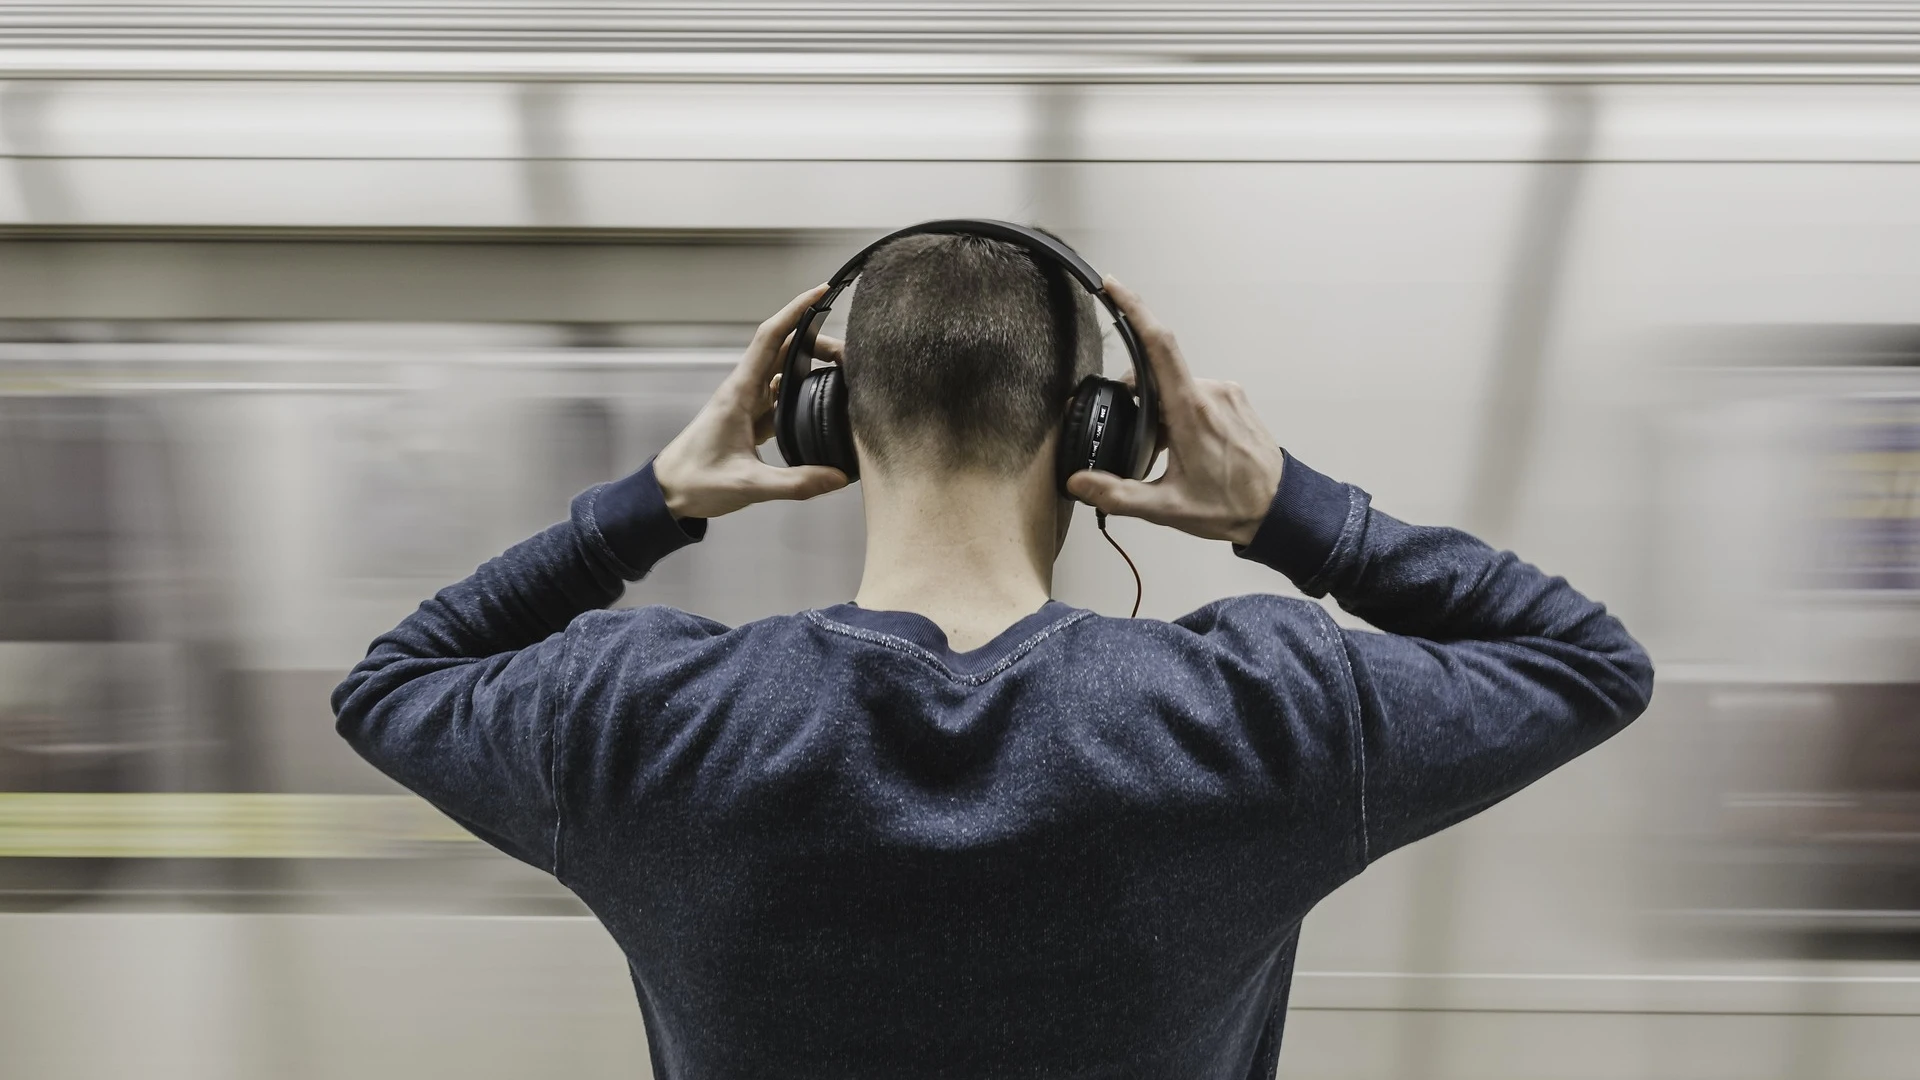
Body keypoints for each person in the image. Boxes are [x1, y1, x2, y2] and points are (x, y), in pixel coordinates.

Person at [332, 232, 1654, 1079]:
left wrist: (655, 501)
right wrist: (1289, 510)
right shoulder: (1260, 709)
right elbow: (1587, 664)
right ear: (1105, 434)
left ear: (822, 424)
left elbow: (389, 685)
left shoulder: (640, 716)